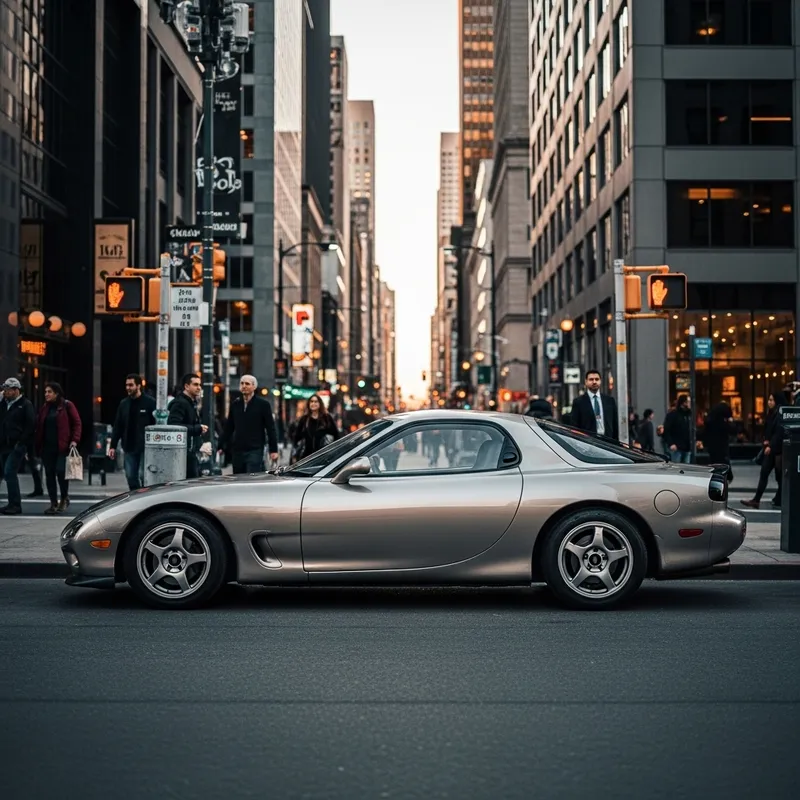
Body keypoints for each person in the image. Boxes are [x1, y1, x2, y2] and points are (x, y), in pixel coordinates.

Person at [35, 382, 82, 515]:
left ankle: (64, 497)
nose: (46, 394)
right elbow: (39, 426)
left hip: (63, 447)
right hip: (47, 448)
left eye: (49, 392)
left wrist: (74, 440)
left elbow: (77, 423)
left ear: (57, 393)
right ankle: (53, 503)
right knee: (49, 475)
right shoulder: (45, 408)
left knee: (61, 472)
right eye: (45, 392)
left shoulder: (67, 405)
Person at [218, 375, 278, 474]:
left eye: (247, 384)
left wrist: (273, 450)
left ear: (254, 387)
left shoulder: (263, 405)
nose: (244, 386)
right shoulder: (235, 404)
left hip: (255, 449)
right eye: (242, 383)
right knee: (238, 478)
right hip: (237, 450)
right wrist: (220, 446)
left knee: (251, 476)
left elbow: (270, 428)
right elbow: (229, 428)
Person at [109, 374, 157, 490]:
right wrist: (113, 446)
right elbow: (118, 425)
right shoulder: (124, 404)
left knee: (143, 475)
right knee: (130, 476)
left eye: (131, 385)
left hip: (146, 447)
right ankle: (136, 497)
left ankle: (145, 497)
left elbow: (156, 424)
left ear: (138, 386)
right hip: (129, 446)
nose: (128, 388)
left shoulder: (150, 403)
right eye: (126, 385)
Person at [741, 390, 785, 509]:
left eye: (771, 400)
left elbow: (779, 432)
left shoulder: (780, 414)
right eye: (769, 400)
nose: (769, 402)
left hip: (778, 450)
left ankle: (779, 498)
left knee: (779, 476)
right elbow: (768, 429)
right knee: (764, 473)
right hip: (770, 449)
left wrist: (770, 445)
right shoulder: (771, 413)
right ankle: (756, 500)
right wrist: (765, 440)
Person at [0, 378, 35, 515]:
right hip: (4, 445)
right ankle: (11, 503)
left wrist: (21, 442)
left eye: (8, 389)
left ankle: (15, 505)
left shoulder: (25, 405)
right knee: (7, 473)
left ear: (16, 390)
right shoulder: (4, 404)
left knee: (9, 471)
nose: (5, 392)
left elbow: (30, 425)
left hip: (17, 445)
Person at [167, 373, 208, 479]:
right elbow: (174, 426)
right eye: (195, 384)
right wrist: (197, 429)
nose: (199, 387)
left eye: (199, 385)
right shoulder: (180, 403)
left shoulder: (190, 403)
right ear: (186, 386)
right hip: (183, 453)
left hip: (189, 451)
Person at [570, 370, 619, 440]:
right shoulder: (578, 402)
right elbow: (575, 426)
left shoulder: (610, 401)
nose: (594, 382)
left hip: (607, 441)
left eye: (597, 379)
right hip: (588, 442)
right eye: (591, 379)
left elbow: (615, 425)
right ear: (586, 382)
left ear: (600, 381)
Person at [292, 394, 340, 461]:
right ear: (309, 404)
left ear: (320, 404)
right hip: (306, 457)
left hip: (323, 457)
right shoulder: (304, 419)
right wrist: (295, 452)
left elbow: (336, 435)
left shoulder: (327, 418)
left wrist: (332, 451)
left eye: (316, 401)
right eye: (311, 401)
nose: (313, 404)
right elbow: (296, 437)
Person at [703, 402, 734, 482]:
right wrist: (730, 422)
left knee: (715, 465)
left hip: (712, 447)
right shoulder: (722, 422)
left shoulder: (710, 420)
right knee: (724, 465)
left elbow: (705, 432)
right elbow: (732, 430)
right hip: (722, 447)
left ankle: (716, 480)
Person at [663, 395, 692, 463]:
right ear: (683, 403)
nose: (690, 404)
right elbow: (666, 430)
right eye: (688, 402)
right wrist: (671, 443)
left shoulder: (689, 415)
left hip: (687, 447)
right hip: (677, 447)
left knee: (687, 466)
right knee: (676, 466)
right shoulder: (673, 415)